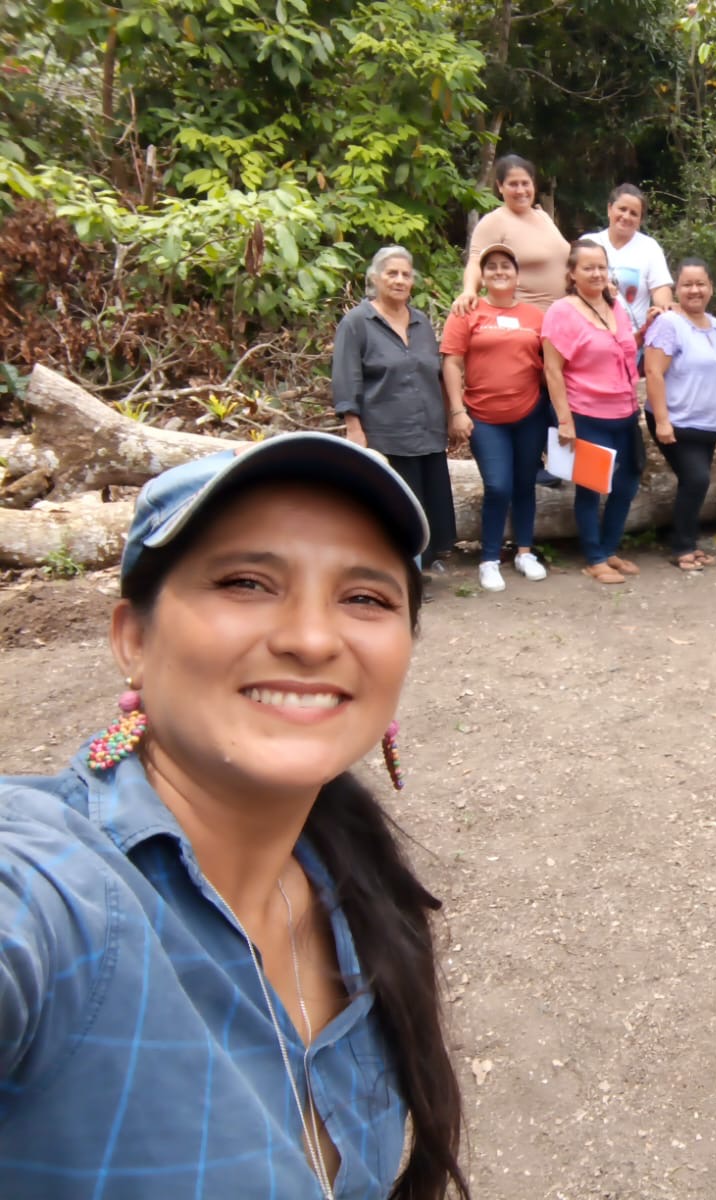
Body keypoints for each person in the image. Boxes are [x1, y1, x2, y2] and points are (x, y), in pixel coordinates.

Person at [0, 432, 469, 1199]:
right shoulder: (49, 884)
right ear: (133, 639)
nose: (311, 640)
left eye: (365, 598)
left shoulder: (354, 887)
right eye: (247, 583)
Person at [332, 245, 456, 569]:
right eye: (392, 273)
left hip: (428, 431)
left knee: (429, 503)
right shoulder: (357, 322)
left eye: (405, 274)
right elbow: (347, 376)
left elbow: (436, 374)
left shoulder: (421, 322)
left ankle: (424, 562)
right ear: (375, 278)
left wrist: (450, 418)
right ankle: (402, 570)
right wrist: (354, 428)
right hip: (386, 435)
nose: (399, 280)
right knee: (398, 507)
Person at [441, 242, 549, 592]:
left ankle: (524, 552)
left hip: (529, 413)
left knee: (524, 483)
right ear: (482, 276)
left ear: (517, 275)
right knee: (498, 485)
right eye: (492, 267)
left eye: (506, 266)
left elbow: (551, 366)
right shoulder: (467, 312)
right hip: (484, 417)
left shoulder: (536, 317)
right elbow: (452, 363)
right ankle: (489, 558)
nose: (499, 271)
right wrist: (457, 411)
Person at [543, 241, 645, 585]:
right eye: (588, 267)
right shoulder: (562, 312)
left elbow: (625, 350)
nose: (597, 273)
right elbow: (552, 370)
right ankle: (594, 558)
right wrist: (565, 420)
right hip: (587, 412)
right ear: (572, 273)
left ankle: (610, 548)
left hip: (625, 412)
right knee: (590, 487)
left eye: (601, 266)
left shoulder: (615, 306)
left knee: (627, 483)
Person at [643, 257, 716, 571]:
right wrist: (663, 421)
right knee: (696, 479)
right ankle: (681, 546)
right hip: (677, 421)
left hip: (709, 425)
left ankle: (689, 541)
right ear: (676, 289)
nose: (694, 290)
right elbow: (653, 372)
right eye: (687, 284)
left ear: (711, 288)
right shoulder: (668, 323)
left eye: (700, 284)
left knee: (695, 483)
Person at [452, 154, 571, 313]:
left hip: (563, 316)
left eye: (525, 183)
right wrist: (469, 291)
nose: (521, 190)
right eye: (513, 184)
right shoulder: (494, 222)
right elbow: (475, 262)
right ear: (500, 186)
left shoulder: (543, 216)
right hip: (527, 317)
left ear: (533, 184)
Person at [585, 183, 673, 343]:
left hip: (633, 341)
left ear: (640, 220)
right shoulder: (589, 242)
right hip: (590, 336)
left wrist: (663, 309)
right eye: (622, 209)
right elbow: (572, 284)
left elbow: (661, 289)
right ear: (609, 209)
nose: (626, 217)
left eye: (634, 213)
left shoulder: (649, 247)